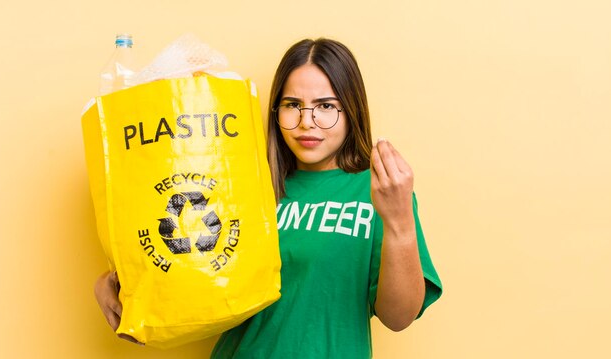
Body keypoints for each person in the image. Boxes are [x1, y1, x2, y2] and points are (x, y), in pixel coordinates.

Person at [95, 37, 442, 358]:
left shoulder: (379, 190)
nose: (307, 122)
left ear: (351, 110)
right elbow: (189, 265)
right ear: (276, 112)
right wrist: (115, 282)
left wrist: (398, 222)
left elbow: (398, 317)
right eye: (293, 105)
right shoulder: (244, 181)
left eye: (325, 105)